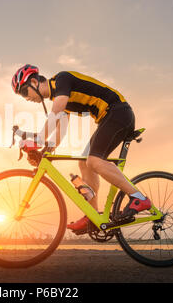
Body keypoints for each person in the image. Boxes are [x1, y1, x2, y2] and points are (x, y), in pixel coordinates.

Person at [11, 64, 151, 233]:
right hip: (108, 118)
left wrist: (39, 139)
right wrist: (43, 152)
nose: (26, 98)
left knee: (94, 161)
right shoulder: (60, 98)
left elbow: (56, 111)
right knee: (84, 163)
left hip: (118, 112)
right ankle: (92, 215)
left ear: (34, 81)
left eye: (25, 92)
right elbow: (60, 130)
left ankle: (138, 198)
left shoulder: (62, 80)